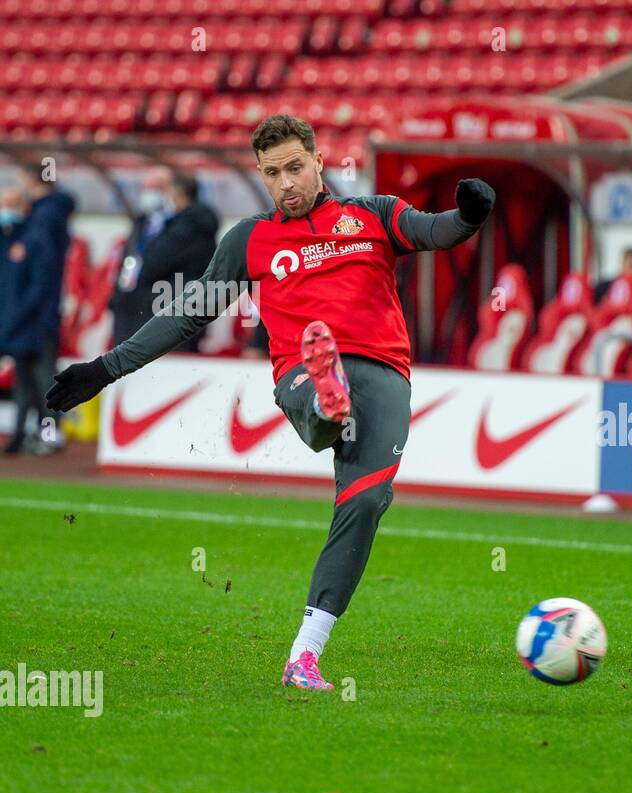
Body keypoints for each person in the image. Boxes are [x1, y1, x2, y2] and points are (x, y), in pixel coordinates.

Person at [46, 114, 496, 692]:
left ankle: (302, 657)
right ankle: (326, 401)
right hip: (301, 375)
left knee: (365, 504)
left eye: (294, 168)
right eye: (271, 174)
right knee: (320, 406)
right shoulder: (251, 239)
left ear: (316, 159)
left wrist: (470, 215)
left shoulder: (374, 214)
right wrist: (106, 367)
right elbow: (188, 313)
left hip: (384, 375)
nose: (285, 183)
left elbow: (437, 231)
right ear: (261, 176)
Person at [109, 168, 219, 351]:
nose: (150, 195)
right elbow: (131, 263)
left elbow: (154, 264)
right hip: (134, 314)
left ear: (177, 191)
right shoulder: (146, 224)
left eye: (158, 188)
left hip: (170, 319)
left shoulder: (191, 226)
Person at [0, 186, 61, 454]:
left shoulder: (35, 239)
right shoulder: (7, 239)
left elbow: (39, 287)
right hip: (13, 325)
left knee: (41, 382)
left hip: (36, 326)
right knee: (23, 382)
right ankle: (20, 434)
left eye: (11, 203)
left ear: (24, 207)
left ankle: (48, 435)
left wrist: (15, 318)